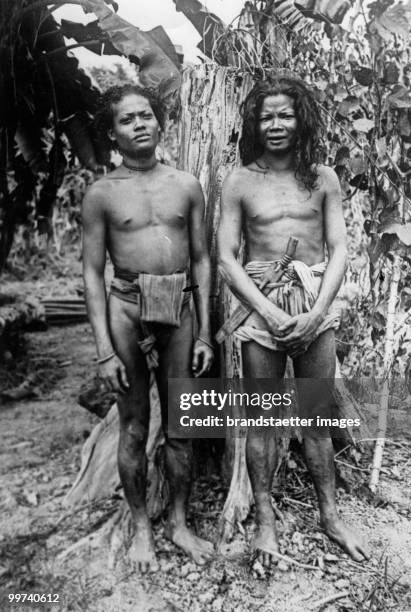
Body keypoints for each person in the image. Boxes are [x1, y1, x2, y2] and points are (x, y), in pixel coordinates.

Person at [217, 74, 370, 567]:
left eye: (285, 114)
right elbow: (226, 257)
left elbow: (340, 248)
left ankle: (330, 515)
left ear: (300, 118)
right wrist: (269, 312)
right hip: (262, 310)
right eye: (266, 116)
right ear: (253, 123)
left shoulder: (323, 178)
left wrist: (317, 313)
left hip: (313, 305)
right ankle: (264, 523)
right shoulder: (240, 180)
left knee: (316, 418)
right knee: (261, 424)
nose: (276, 124)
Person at [82, 85, 214, 572]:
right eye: (126, 120)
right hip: (127, 308)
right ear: (113, 133)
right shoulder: (102, 193)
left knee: (182, 427)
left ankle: (179, 523)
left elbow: (201, 259)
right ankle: (141, 526)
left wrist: (203, 332)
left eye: (145, 116)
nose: (138, 125)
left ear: (160, 123)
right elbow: (92, 274)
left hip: (178, 308)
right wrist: (103, 351)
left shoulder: (186, 185)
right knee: (135, 426)